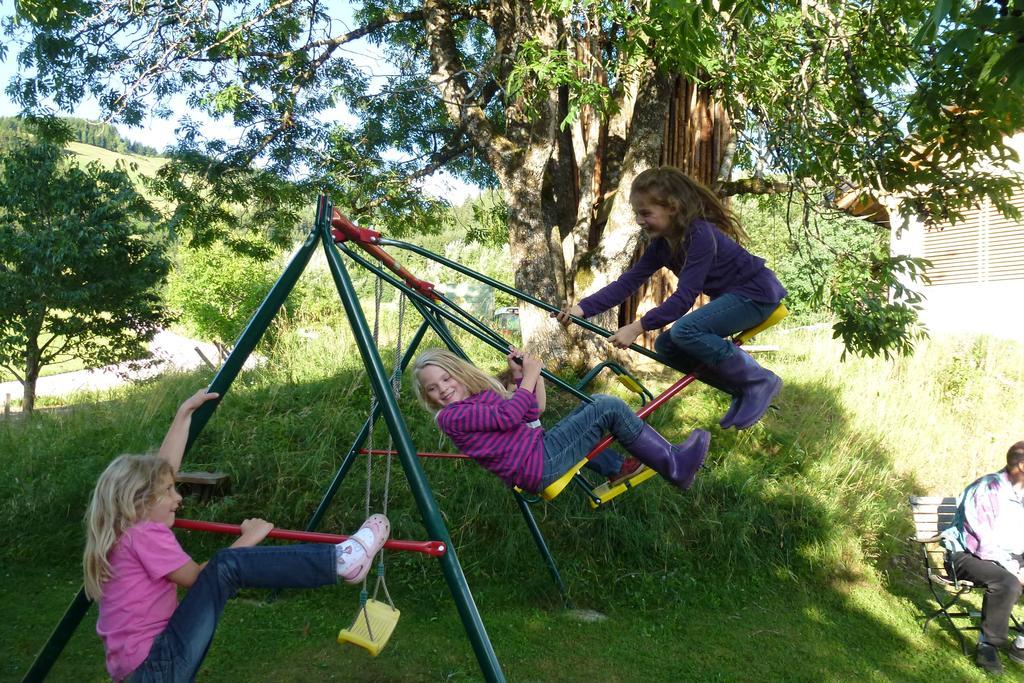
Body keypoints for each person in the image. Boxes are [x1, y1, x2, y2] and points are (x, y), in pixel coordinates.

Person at [83, 388, 391, 682]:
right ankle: (341, 560)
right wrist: (250, 536)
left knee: (224, 565)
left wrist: (184, 414)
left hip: (144, 667)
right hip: (156, 663)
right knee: (225, 566)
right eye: (169, 491)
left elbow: (161, 472)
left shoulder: (121, 528)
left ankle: (340, 560)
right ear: (141, 502)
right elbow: (199, 578)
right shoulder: (144, 534)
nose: (178, 497)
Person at [554, 166, 787, 430]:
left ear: (672, 208)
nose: (640, 221)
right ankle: (741, 387)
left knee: (686, 330)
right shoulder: (663, 246)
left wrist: (637, 327)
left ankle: (757, 381)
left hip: (756, 293)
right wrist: (581, 309)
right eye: (637, 214)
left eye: (646, 213)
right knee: (667, 346)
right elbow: (627, 284)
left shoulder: (700, 234)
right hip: (737, 297)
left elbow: (684, 298)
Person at [410, 347, 709, 494]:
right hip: (539, 463)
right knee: (607, 406)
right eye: (432, 389)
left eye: (445, 379)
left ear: (458, 373)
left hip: (539, 456)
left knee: (594, 407)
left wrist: (519, 376)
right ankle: (675, 465)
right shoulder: (452, 416)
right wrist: (528, 378)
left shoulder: (476, 401)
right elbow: (511, 413)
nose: (442, 390)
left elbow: (529, 414)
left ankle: (636, 465)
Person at [941, 441, 1024, 675]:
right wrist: (1016, 569)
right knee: (1008, 582)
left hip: (1006, 557)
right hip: (966, 556)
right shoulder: (988, 489)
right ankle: (988, 645)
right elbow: (982, 543)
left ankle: (1021, 645)